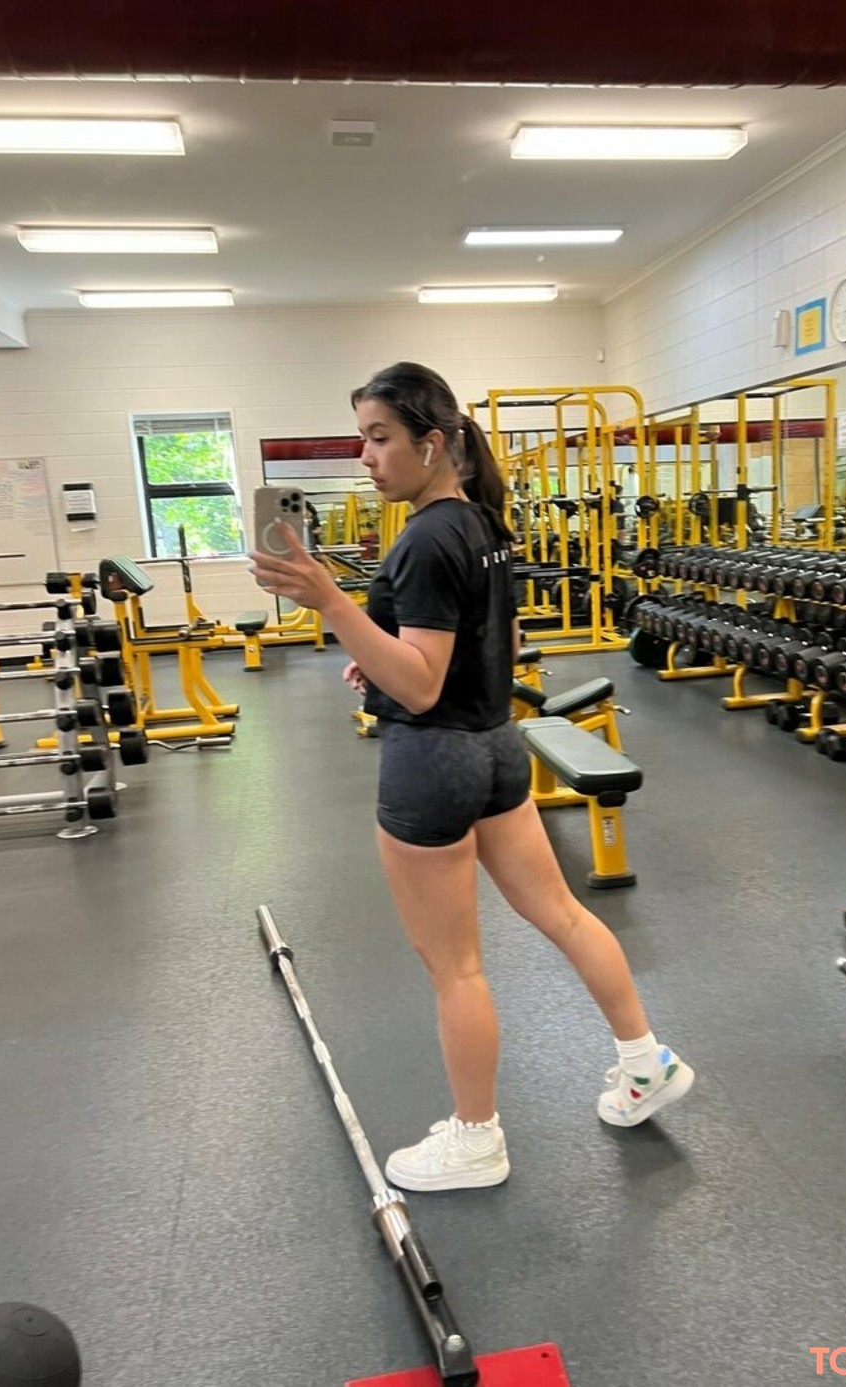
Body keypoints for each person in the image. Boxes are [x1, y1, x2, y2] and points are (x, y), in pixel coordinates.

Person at [250, 361, 693, 1193]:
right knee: (564, 913)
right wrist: (378, 656)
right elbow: (495, 644)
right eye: (361, 439)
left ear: (431, 443)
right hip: (495, 747)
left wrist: (332, 604)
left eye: (380, 438)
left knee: (456, 969)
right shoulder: (481, 521)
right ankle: (647, 1061)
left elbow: (421, 685)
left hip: (433, 763)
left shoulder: (423, 537)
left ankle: (476, 1138)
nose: (366, 456)